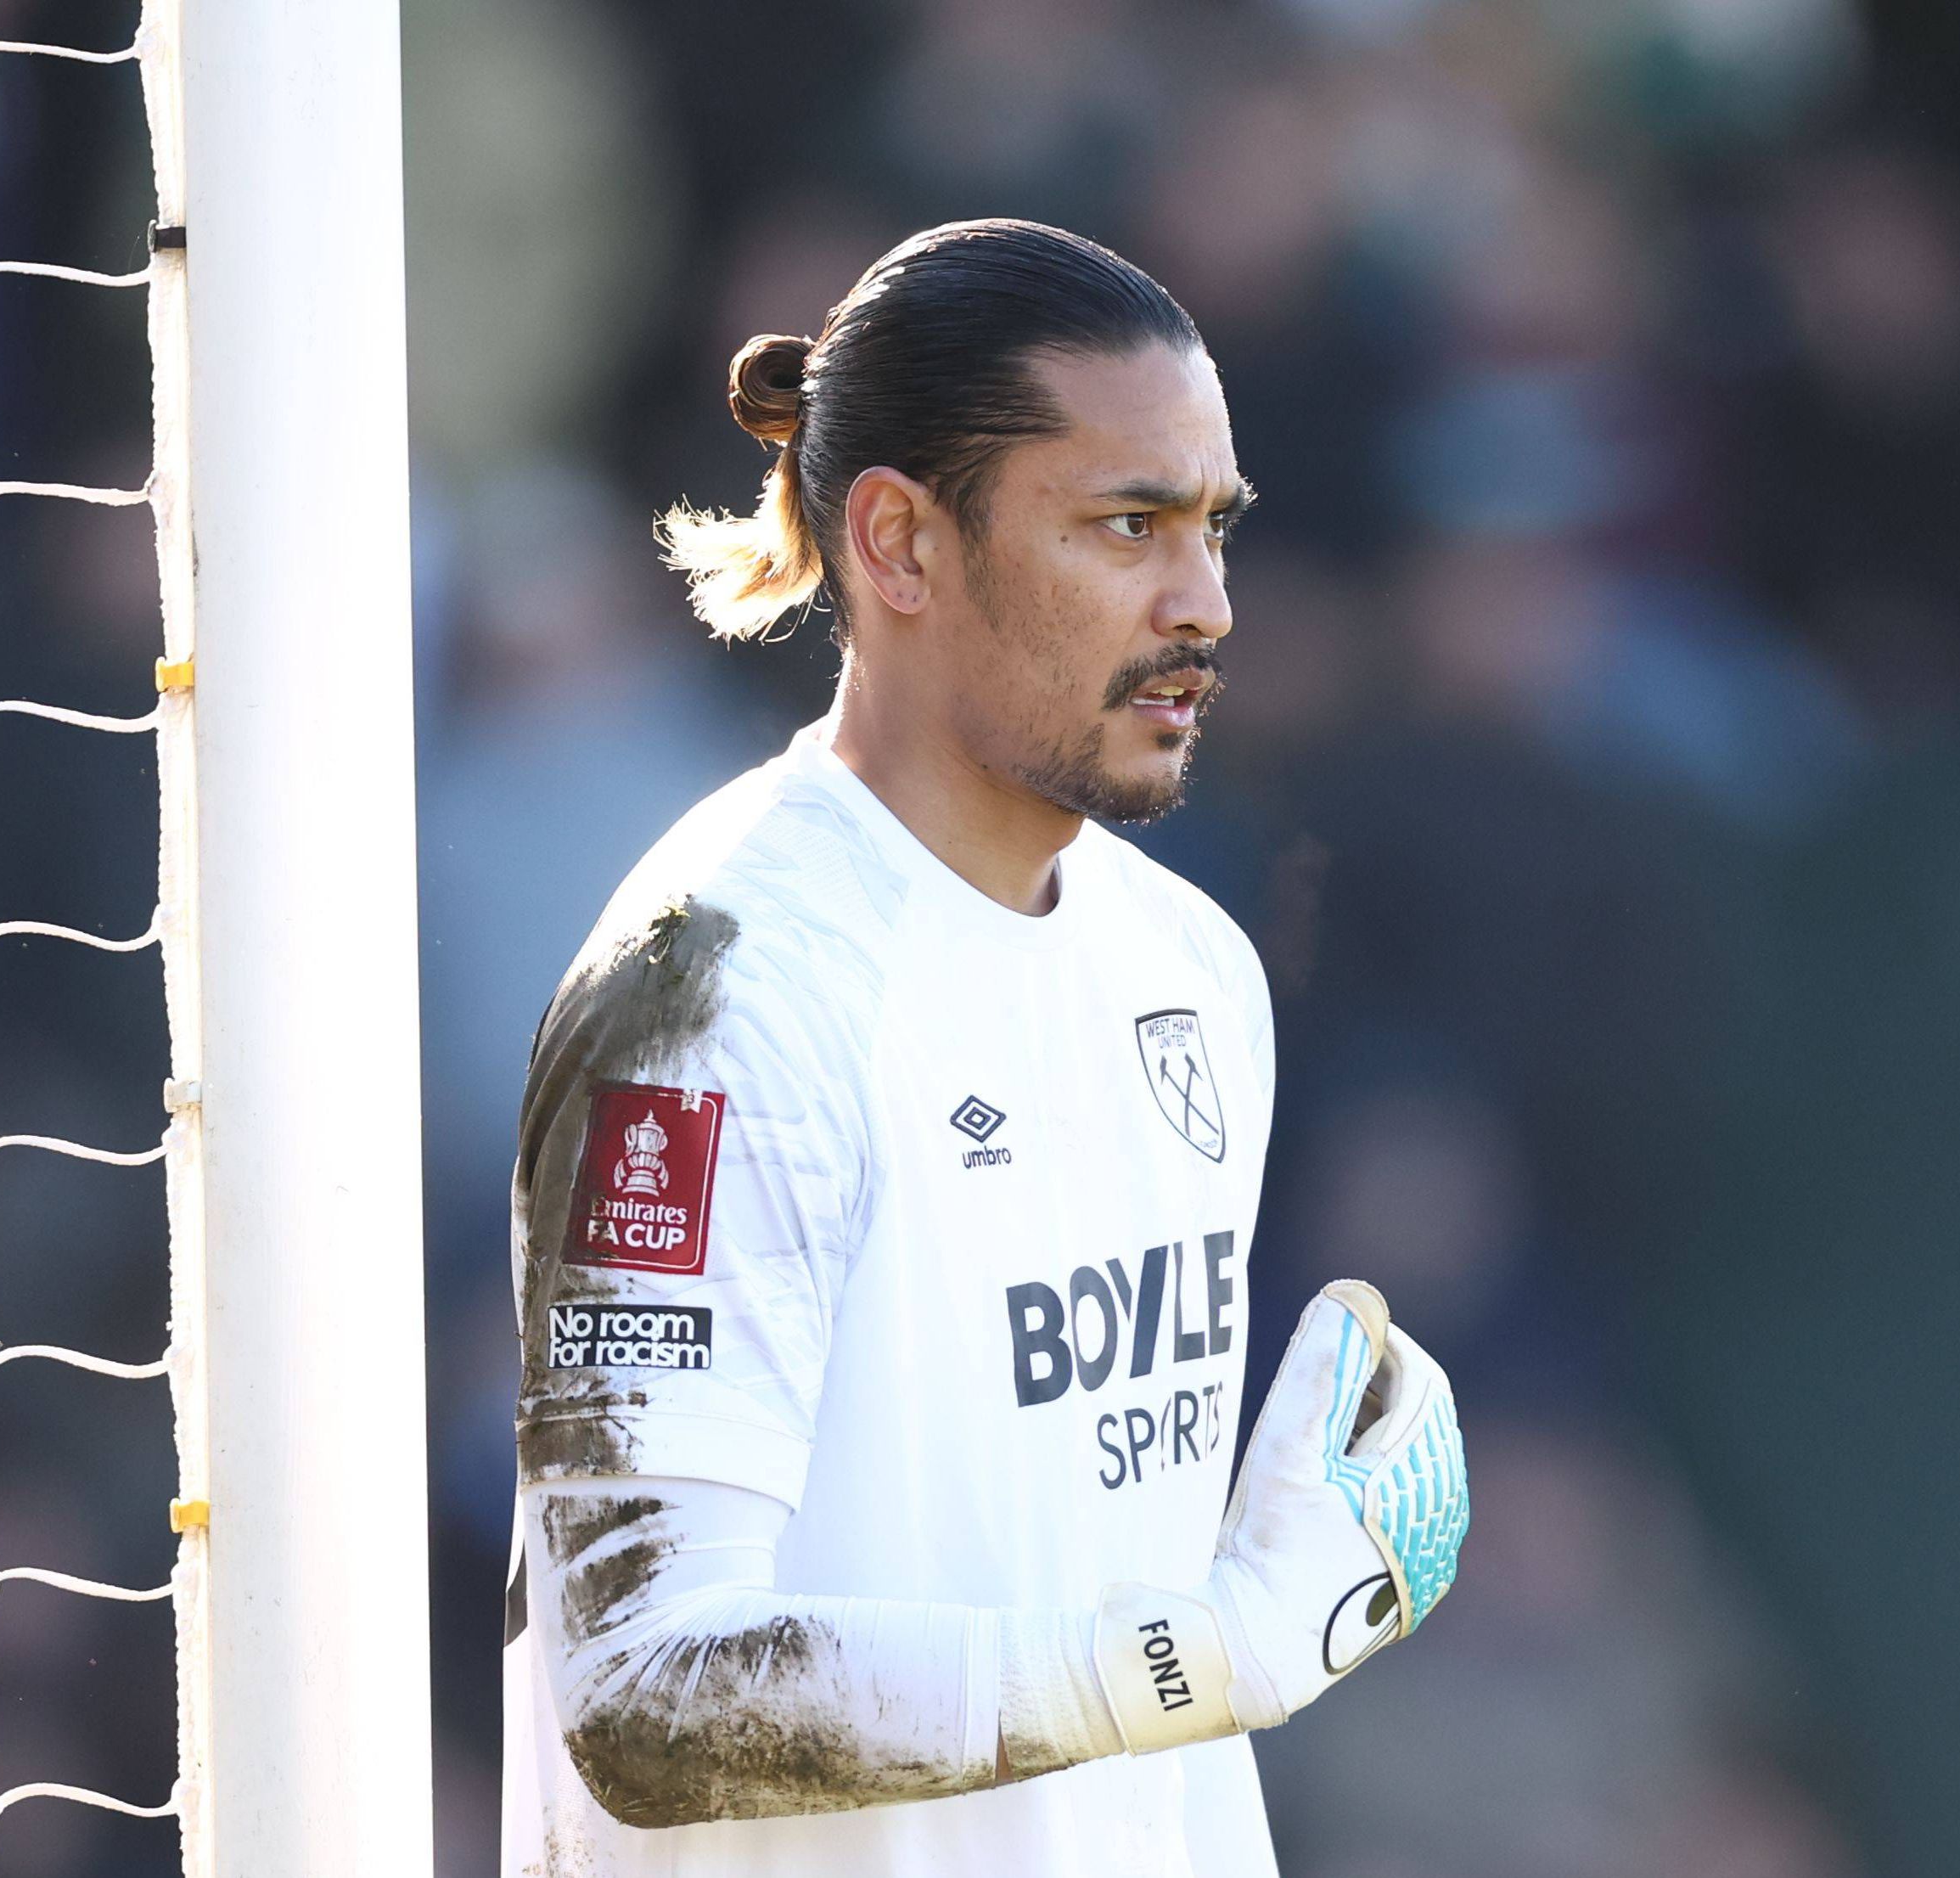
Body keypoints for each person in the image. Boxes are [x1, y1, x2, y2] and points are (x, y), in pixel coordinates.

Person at [501, 218, 1469, 1877]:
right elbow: (641, 1692)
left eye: (1214, 529)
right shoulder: (712, 998)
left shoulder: (1192, 967)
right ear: (896, 543)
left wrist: (1284, 1569)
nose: (1207, 601)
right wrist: (1198, 1650)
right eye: (1127, 526)